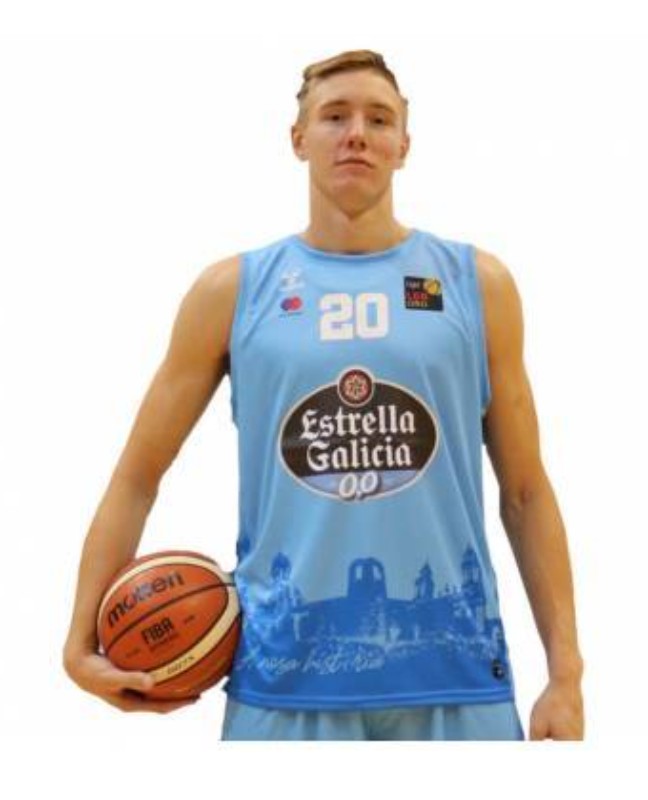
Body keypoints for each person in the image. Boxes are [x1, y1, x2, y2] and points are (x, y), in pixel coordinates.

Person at [63, 49, 585, 740]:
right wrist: (80, 644)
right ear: (298, 138)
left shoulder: (476, 284)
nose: (356, 134)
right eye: (335, 116)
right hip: (282, 686)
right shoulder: (232, 292)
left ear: (405, 144)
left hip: (458, 679)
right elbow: (137, 477)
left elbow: (524, 491)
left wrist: (567, 674)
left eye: (379, 119)